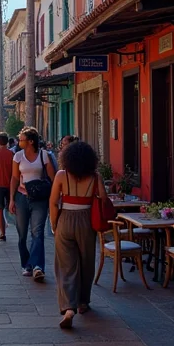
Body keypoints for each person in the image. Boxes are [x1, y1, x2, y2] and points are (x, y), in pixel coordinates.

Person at [49, 140, 104, 329]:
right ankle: (83, 303)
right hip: (87, 221)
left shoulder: (61, 175)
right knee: (87, 262)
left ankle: (68, 307)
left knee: (65, 265)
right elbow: (103, 200)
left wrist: (54, 224)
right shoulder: (95, 178)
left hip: (65, 220)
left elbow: (54, 202)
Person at [10, 126, 56, 282]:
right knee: (22, 234)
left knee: (37, 232)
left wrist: (54, 199)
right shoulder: (17, 156)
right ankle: (26, 264)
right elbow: (15, 178)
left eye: (22, 139)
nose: (19, 141)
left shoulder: (43, 155)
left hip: (39, 199)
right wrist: (11, 199)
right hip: (22, 198)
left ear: (30, 141)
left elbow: (52, 178)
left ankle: (38, 266)